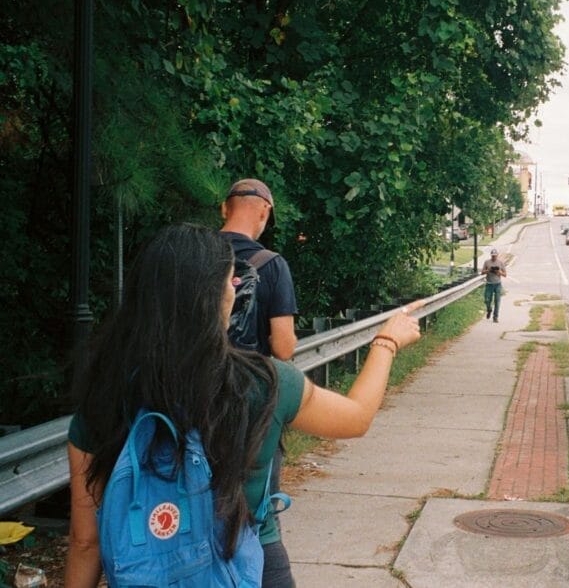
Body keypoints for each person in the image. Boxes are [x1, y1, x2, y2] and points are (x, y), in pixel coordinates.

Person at [65, 223, 423, 587]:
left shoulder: (104, 393)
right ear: (218, 297)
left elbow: (85, 541)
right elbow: (356, 418)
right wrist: (386, 342)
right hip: (250, 572)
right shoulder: (263, 383)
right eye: (230, 282)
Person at [221, 178, 297, 360]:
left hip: (191, 379)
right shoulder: (273, 265)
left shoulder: (193, 251)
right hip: (245, 381)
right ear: (264, 212)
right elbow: (283, 349)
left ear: (224, 209)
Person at [481, 248, 506, 323]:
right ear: (491, 255)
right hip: (489, 284)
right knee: (487, 300)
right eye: (492, 256)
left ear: (497, 255)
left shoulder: (500, 263)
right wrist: (488, 270)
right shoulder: (487, 262)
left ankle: (495, 317)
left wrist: (499, 272)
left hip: (497, 284)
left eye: (495, 256)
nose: (494, 257)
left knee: (497, 301)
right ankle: (489, 309)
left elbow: (505, 274)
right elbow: (482, 272)